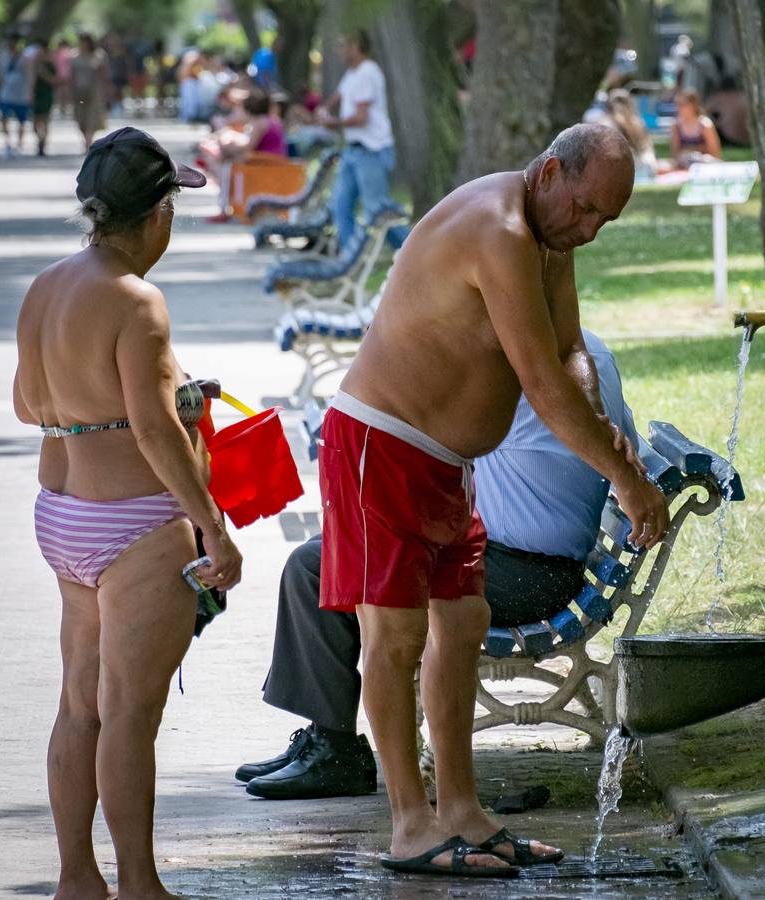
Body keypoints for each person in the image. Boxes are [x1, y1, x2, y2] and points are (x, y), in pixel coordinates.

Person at [316, 123, 668, 877]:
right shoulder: (501, 229)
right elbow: (540, 384)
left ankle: (464, 811)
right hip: (383, 445)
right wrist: (626, 478)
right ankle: (411, 824)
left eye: (605, 219)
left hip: (446, 463)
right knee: (396, 640)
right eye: (584, 210)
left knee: (465, 621)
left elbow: (570, 353)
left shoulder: (550, 238)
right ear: (547, 172)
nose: (590, 231)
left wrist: (601, 418)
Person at [240, 330, 641, 800]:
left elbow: (432, 441)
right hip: (545, 564)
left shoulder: (517, 367)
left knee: (315, 564)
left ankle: (334, 749)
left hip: (521, 574)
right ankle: (328, 740)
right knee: (328, 551)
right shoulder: (591, 353)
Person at [13, 127, 242, 900]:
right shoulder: (138, 300)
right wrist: (213, 525)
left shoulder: (46, 287)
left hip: (62, 516)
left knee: (80, 705)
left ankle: (78, 879)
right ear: (156, 216)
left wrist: (101, 406)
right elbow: (151, 431)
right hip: (138, 524)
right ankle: (142, 885)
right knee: (129, 713)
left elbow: (26, 404)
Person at [318, 30, 400, 250]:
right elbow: (337, 98)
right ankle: (349, 259)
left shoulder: (367, 72)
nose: (338, 51)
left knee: (377, 211)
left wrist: (332, 122)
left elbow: (361, 117)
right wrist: (322, 110)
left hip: (371, 150)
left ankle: (415, 253)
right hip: (353, 150)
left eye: (342, 45)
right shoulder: (352, 73)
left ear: (355, 45)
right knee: (341, 205)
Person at [201, 88, 288, 224]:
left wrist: (226, 146)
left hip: (264, 162)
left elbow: (247, 146)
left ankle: (224, 207)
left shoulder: (259, 123)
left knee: (226, 166)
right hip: (270, 159)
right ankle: (225, 203)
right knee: (226, 160)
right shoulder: (272, 120)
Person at [0, 32, 36, 158]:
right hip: (5, 93)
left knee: (21, 121)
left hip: (21, 93)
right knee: (3, 118)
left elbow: (30, 76)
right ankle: (7, 144)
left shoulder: (25, 58)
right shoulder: (1, 57)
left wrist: (30, 92)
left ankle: (19, 145)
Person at [70, 33, 109, 152]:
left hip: (94, 92)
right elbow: (71, 76)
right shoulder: (74, 56)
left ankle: (88, 144)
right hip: (78, 92)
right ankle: (86, 140)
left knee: (91, 119)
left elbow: (104, 75)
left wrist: (106, 92)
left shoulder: (99, 55)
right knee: (80, 119)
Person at [670, 89, 721, 170]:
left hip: (704, 163)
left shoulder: (705, 124)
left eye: (682, 105)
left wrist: (692, 150)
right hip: (684, 163)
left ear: (692, 105)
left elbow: (715, 152)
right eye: (677, 104)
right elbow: (675, 152)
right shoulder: (676, 126)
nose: (678, 108)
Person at [29, 38, 57, 157]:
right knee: (34, 124)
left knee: (45, 121)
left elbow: (54, 80)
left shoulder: (50, 64)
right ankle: (40, 139)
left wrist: (42, 73)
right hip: (34, 95)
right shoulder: (31, 64)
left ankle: (42, 145)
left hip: (46, 95)